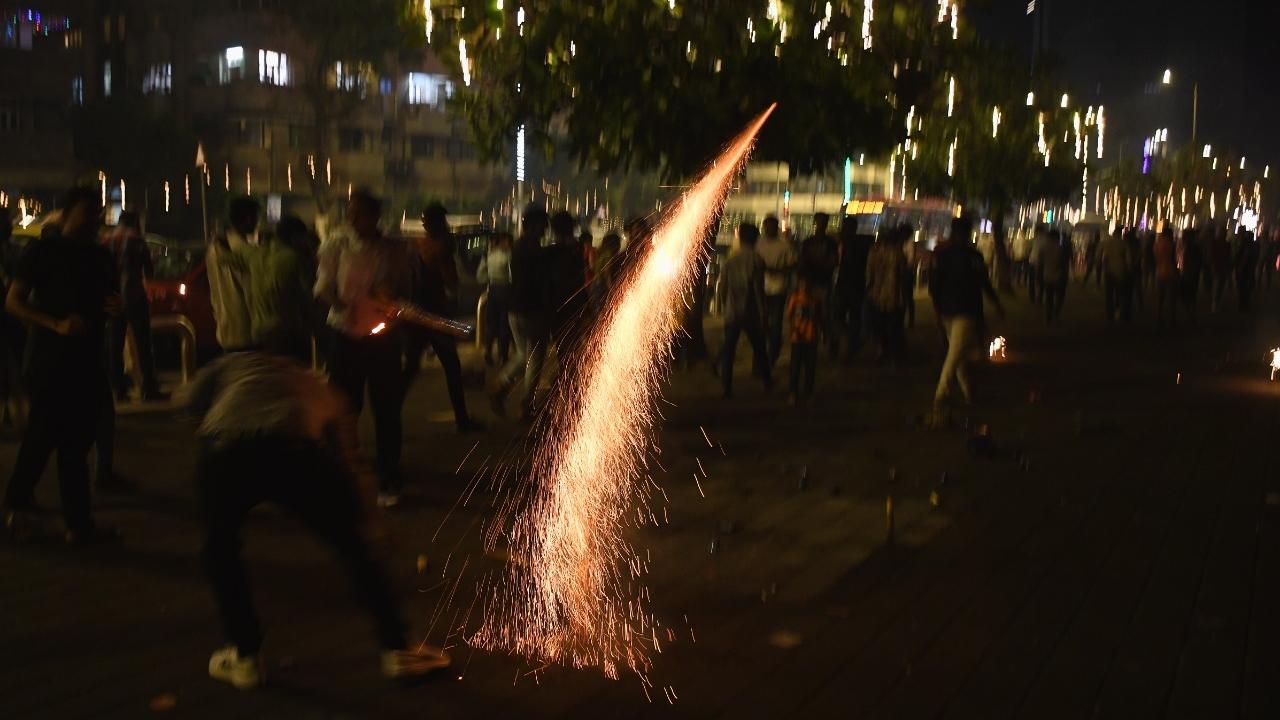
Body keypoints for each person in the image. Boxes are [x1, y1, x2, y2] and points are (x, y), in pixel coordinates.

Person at [181, 351, 451, 690]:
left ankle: (245, 655)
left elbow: (190, 402)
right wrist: (369, 520)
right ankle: (398, 648)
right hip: (293, 450)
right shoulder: (319, 387)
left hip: (224, 448)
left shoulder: (232, 363)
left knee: (221, 551)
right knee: (352, 547)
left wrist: (205, 439)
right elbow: (347, 459)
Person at [2, 186, 121, 544]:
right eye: (88, 211)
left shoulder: (101, 257)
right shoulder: (43, 252)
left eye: (98, 212)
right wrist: (56, 324)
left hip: (87, 361)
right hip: (49, 360)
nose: (95, 219)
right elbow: (14, 301)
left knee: (74, 442)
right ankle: (59, 517)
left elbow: (108, 301)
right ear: (68, 213)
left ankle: (66, 520)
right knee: (47, 437)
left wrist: (114, 310)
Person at [315, 190, 412, 508]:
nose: (354, 220)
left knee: (387, 410)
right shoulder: (336, 245)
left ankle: (389, 477)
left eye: (362, 215)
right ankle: (341, 474)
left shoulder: (391, 250)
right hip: (345, 334)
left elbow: (401, 288)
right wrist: (344, 306)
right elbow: (324, 288)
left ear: (375, 217)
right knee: (344, 408)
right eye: (351, 214)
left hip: (382, 338)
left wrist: (388, 297)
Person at [403, 204, 482, 434]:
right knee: (451, 366)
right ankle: (462, 419)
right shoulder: (440, 247)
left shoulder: (415, 244)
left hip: (415, 313)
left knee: (410, 367)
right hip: (435, 314)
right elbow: (451, 281)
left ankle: (389, 411)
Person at [929, 216, 1004, 411]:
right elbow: (984, 284)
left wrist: (937, 311)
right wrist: (996, 304)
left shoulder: (942, 255)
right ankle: (941, 394)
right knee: (956, 354)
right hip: (965, 310)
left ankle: (968, 393)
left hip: (947, 310)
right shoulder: (973, 257)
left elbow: (934, 287)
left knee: (956, 353)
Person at [490, 205, 550, 420]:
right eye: (543, 224)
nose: (545, 229)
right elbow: (539, 281)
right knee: (535, 357)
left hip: (515, 309)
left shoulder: (517, 246)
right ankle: (526, 405)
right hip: (531, 308)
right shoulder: (533, 249)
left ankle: (501, 384)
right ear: (534, 226)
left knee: (523, 354)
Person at [106, 211, 163, 401]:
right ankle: (149, 388)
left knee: (115, 344)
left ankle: (118, 389)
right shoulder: (137, 240)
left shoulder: (107, 240)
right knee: (143, 343)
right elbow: (149, 271)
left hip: (114, 299)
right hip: (135, 296)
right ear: (135, 222)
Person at [716, 223, 771, 398]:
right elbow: (758, 290)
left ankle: (726, 387)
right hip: (751, 312)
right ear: (755, 239)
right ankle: (767, 382)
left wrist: (723, 306)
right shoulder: (756, 260)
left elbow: (722, 288)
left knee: (729, 350)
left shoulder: (730, 261)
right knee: (759, 348)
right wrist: (763, 313)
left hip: (732, 312)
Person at [207, 197, 260, 353]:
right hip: (247, 330)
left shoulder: (215, 248)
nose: (257, 224)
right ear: (248, 219)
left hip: (225, 328)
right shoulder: (244, 251)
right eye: (256, 218)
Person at [0, 205, 28, 430]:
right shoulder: (13, 253)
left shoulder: (14, 252)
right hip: (11, 316)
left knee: (13, 367)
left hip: (11, 316)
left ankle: (13, 413)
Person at [865, 225, 909, 366]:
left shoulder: (874, 251)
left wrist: (868, 289)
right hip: (894, 294)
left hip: (876, 294)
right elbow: (903, 273)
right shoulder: (897, 252)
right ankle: (895, 356)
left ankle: (881, 351)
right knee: (894, 326)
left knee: (879, 325)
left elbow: (869, 274)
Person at [756, 215, 795, 366]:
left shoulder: (784, 245)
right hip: (762, 289)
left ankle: (773, 352)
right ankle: (768, 351)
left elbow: (793, 263)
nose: (770, 229)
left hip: (779, 288)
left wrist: (779, 270)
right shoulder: (758, 244)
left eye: (772, 226)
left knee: (776, 322)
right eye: (768, 226)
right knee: (764, 322)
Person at [831, 223, 872, 362]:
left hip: (850, 285)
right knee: (844, 317)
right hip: (849, 286)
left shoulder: (856, 245)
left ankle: (846, 346)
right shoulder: (858, 243)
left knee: (846, 317)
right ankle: (846, 344)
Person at [785, 276, 824, 407]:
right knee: (795, 367)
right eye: (802, 284)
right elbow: (789, 317)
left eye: (806, 284)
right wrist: (793, 330)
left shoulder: (815, 300)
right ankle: (793, 392)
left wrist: (822, 332)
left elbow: (820, 317)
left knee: (810, 368)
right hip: (798, 337)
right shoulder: (795, 299)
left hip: (811, 336)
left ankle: (808, 393)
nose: (804, 287)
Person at [476, 232, 513, 366]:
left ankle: (488, 352)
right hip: (505, 290)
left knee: (491, 324)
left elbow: (480, 276)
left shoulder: (488, 256)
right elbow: (511, 275)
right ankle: (503, 356)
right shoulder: (508, 255)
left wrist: (490, 280)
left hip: (492, 289)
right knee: (504, 324)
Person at [799, 212, 838, 299]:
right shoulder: (830, 242)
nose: (821, 224)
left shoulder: (809, 242)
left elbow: (833, 262)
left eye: (823, 222)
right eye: (820, 222)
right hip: (816, 280)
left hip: (821, 280)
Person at [1101, 228, 1132, 326]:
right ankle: (1119, 310)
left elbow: (1104, 257)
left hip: (1109, 270)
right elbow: (1128, 258)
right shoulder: (1124, 244)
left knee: (1109, 294)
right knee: (1120, 292)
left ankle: (1109, 313)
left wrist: (1104, 267)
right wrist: (1129, 268)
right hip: (1120, 270)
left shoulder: (1107, 243)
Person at [1039, 228, 1067, 325]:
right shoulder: (1060, 248)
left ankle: (1048, 317)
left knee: (1049, 297)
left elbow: (1040, 261)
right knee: (1059, 296)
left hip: (1046, 274)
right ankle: (1056, 314)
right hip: (1058, 275)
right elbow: (1062, 262)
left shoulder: (1044, 247)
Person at [1153, 228, 1178, 328]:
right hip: (1170, 272)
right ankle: (1171, 319)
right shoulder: (1171, 245)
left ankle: (1159, 317)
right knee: (1171, 298)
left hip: (1159, 272)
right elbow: (1173, 259)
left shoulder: (1156, 245)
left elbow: (1156, 258)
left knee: (1160, 298)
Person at [1179, 227, 1204, 325]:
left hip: (1189, 274)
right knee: (1190, 295)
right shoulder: (1192, 247)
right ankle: (1191, 315)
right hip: (1190, 274)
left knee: (1188, 295)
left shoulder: (1192, 248)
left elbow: (1196, 261)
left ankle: (1191, 315)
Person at [1235, 230, 1259, 311]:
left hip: (1244, 270)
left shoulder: (1245, 245)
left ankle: (1242, 304)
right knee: (1247, 288)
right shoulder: (1254, 246)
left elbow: (1241, 257)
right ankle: (1245, 304)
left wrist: (1239, 267)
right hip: (1249, 270)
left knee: (1242, 288)